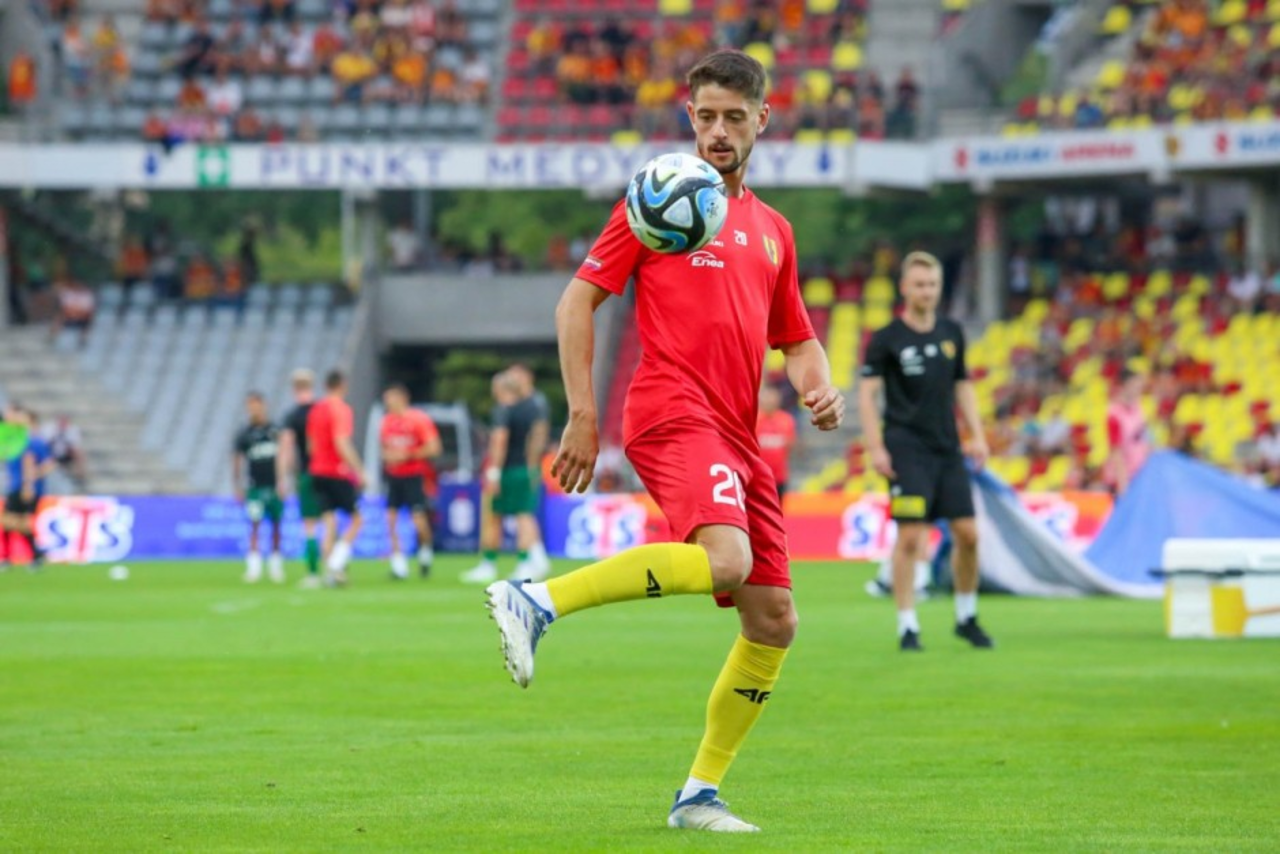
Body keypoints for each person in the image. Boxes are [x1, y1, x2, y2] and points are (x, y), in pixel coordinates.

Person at [482, 50, 844, 833]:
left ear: (762, 121)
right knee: (727, 560)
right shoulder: (656, 198)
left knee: (774, 619)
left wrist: (818, 384)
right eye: (705, 116)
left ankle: (698, 795)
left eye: (734, 118)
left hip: (739, 436)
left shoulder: (774, 232)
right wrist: (583, 414)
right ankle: (537, 600)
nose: (718, 132)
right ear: (690, 116)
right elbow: (576, 303)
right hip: (672, 408)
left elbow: (797, 339)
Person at [858, 251, 993, 653]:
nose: (926, 291)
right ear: (904, 288)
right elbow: (867, 396)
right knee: (911, 536)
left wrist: (978, 435)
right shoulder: (886, 338)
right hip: (906, 449)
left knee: (968, 535)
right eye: (919, 284)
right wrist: (876, 447)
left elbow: (962, 386)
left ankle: (966, 617)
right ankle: (907, 625)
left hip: (947, 448)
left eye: (932, 284)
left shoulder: (952, 332)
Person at [461, 369, 551, 583]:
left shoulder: (502, 411)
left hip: (507, 470)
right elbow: (538, 437)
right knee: (524, 516)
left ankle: (489, 564)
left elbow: (499, 441)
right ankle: (525, 563)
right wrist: (533, 465)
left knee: (494, 517)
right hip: (526, 468)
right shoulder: (531, 408)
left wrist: (494, 471)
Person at [306, 370, 366, 586]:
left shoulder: (316, 410)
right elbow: (342, 442)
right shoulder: (340, 408)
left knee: (329, 522)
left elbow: (311, 445)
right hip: (336, 472)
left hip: (317, 471)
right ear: (342, 385)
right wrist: (359, 470)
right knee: (357, 520)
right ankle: (335, 564)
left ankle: (330, 572)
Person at [379, 383, 441, 580]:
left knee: (419, 520)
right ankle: (399, 564)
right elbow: (385, 449)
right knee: (391, 519)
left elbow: (434, 447)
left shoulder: (418, 419)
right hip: (393, 476)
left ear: (402, 399)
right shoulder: (386, 421)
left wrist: (407, 455)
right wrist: (388, 456)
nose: (388, 403)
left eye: (391, 398)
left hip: (414, 476)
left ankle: (425, 553)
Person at [232, 392, 286, 584]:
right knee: (254, 525)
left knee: (276, 526)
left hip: (274, 487)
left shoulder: (275, 430)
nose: (253, 409)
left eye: (256, 405)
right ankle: (253, 567)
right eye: (250, 406)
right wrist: (237, 485)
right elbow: (237, 460)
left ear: (263, 405)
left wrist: (283, 481)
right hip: (254, 488)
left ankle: (275, 566)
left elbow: (284, 456)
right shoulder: (244, 433)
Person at [279, 369, 323, 588]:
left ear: (294, 388)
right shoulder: (322, 411)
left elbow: (286, 449)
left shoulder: (292, 416)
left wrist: (284, 478)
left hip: (308, 473)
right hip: (331, 472)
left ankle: (313, 573)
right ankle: (337, 568)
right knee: (331, 520)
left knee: (310, 526)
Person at [1, 408, 54, 569]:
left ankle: (30, 555)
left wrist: (28, 484)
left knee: (13, 521)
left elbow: (33, 462)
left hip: (23, 487)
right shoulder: (14, 439)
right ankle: (32, 555)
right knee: (15, 522)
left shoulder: (29, 441)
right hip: (16, 485)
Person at [1105, 367, 1151, 496]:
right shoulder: (1114, 415)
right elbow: (1116, 453)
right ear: (1126, 385)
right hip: (1123, 479)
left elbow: (1145, 438)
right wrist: (1123, 487)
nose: (1139, 390)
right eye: (1136, 385)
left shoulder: (1139, 408)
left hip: (1139, 475)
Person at [754, 384, 796, 498]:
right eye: (767, 398)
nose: (770, 401)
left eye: (772, 398)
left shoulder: (786, 419)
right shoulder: (754, 419)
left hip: (779, 476)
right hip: (757, 476)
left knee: (778, 506)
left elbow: (790, 444)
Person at [41, 415, 88, 489]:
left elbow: (74, 445)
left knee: (79, 453)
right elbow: (45, 443)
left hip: (65, 454)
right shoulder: (49, 429)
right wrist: (56, 435)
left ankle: (80, 474)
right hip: (51, 452)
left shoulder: (72, 430)